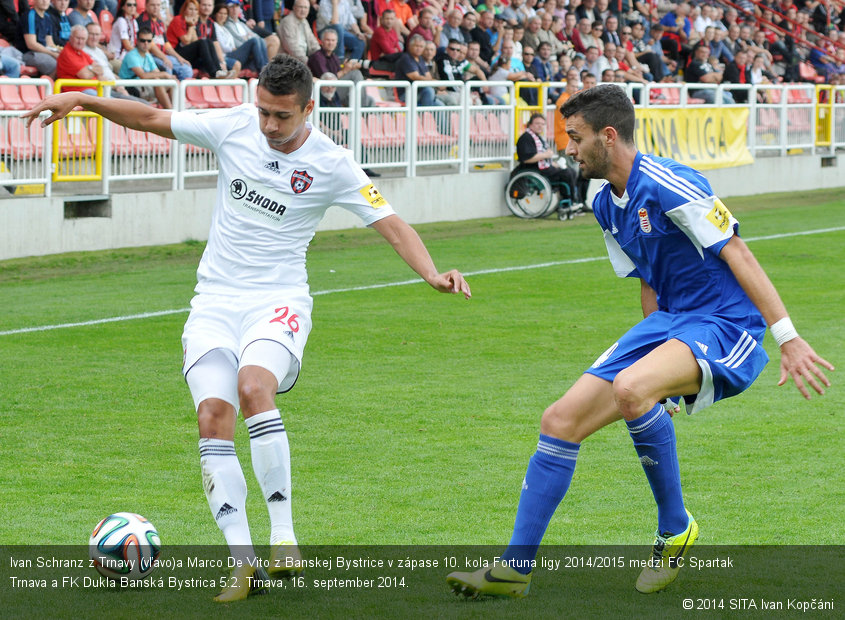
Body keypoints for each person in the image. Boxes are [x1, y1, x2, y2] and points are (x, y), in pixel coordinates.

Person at [24, 53, 470, 603]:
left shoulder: (333, 163)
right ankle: (243, 563)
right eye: (263, 112)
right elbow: (149, 120)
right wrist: (85, 100)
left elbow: (391, 222)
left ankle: (284, 539)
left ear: (309, 108)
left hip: (278, 301)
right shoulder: (235, 125)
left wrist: (431, 273)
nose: (269, 126)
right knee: (212, 418)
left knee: (254, 386)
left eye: (282, 116)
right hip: (213, 301)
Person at [446, 83, 833, 600]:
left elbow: (737, 251)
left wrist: (788, 337)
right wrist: (660, 368)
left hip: (724, 323)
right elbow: (648, 279)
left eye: (575, 136)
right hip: (670, 323)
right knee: (559, 420)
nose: (567, 147)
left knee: (631, 388)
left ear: (608, 136)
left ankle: (675, 530)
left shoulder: (671, 183)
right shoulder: (603, 202)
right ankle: (513, 570)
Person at [513, 112, 581, 212]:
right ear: (530, 124)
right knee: (566, 174)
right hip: (533, 169)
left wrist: (554, 164)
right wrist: (546, 155)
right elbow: (527, 158)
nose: (540, 126)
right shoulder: (525, 138)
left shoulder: (539, 138)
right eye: (537, 123)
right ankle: (568, 201)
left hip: (544, 168)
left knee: (570, 171)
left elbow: (544, 158)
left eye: (542, 124)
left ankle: (570, 201)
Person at [118, 26, 175, 108]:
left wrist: (168, 77)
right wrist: (165, 74)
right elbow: (143, 75)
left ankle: (176, 110)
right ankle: (170, 111)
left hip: (144, 87)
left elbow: (157, 72)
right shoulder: (131, 55)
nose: (146, 43)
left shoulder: (147, 55)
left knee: (171, 82)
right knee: (157, 81)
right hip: (131, 89)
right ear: (137, 41)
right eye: (143, 40)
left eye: (149, 41)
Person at [138, 0, 194, 81]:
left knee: (187, 69)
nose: (155, 8)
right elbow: (150, 45)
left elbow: (166, 44)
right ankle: (169, 92)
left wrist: (180, 58)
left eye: (158, 5)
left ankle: (178, 91)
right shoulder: (143, 20)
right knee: (167, 68)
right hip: (150, 56)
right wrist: (164, 58)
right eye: (153, 5)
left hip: (163, 55)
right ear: (146, 6)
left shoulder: (160, 22)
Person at [16, 0, 60, 78]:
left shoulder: (47, 17)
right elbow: (31, 44)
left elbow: (50, 43)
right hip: (28, 54)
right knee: (56, 65)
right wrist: (53, 54)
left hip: (43, 53)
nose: (44, 1)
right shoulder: (30, 15)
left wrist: (59, 51)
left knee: (67, 61)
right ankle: (47, 88)